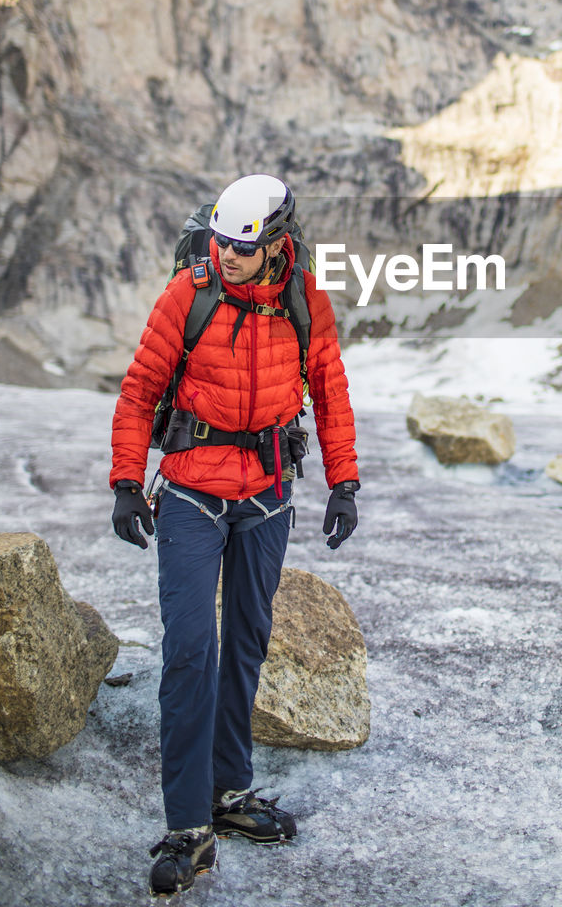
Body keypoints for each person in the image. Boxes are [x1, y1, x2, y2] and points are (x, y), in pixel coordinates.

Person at [109, 174, 360, 898]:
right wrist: (128, 481)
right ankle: (189, 828)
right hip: (191, 493)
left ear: (276, 242)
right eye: (219, 243)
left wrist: (344, 482)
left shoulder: (303, 300)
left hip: (269, 494)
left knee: (247, 642)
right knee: (191, 651)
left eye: (241, 250)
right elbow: (139, 390)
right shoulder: (188, 294)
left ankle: (230, 791)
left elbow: (330, 388)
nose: (226, 257)